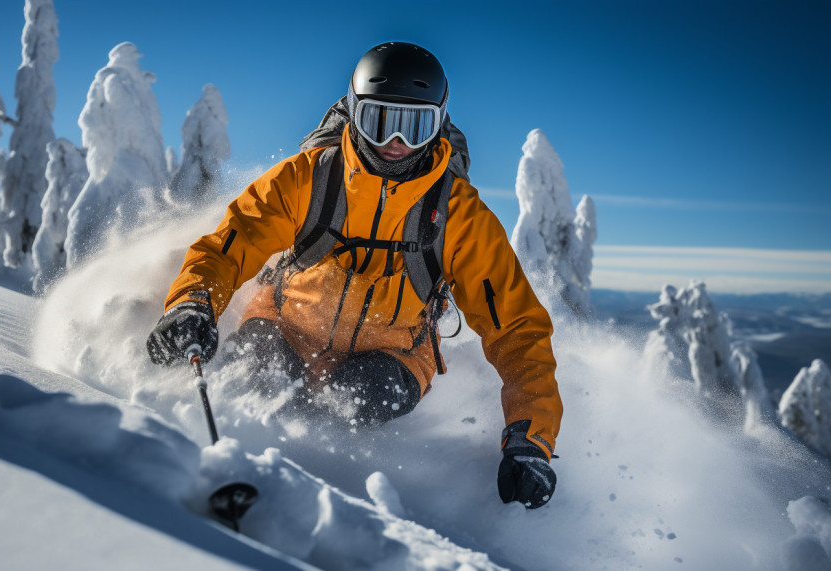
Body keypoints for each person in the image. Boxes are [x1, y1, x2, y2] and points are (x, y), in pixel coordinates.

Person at [147, 42, 563, 509]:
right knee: (259, 375)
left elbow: (518, 329)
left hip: (395, 352)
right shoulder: (308, 178)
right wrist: (192, 300)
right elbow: (230, 245)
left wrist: (532, 439)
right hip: (285, 326)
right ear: (353, 113)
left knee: (359, 398)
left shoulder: (458, 217)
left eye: (416, 126)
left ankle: (326, 504)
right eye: (380, 121)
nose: (396, 143)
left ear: (438, 126)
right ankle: (237, 476)